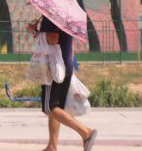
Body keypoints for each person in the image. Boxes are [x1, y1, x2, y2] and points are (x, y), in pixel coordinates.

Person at [27, 16, 97, 151]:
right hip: (64, 66)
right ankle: (52, 146)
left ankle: (86, 132)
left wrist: (35, 32)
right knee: (56, 107)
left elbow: (53, 39)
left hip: (54, 69)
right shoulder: (64, 16)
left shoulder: (51, 16)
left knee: (49, 108)